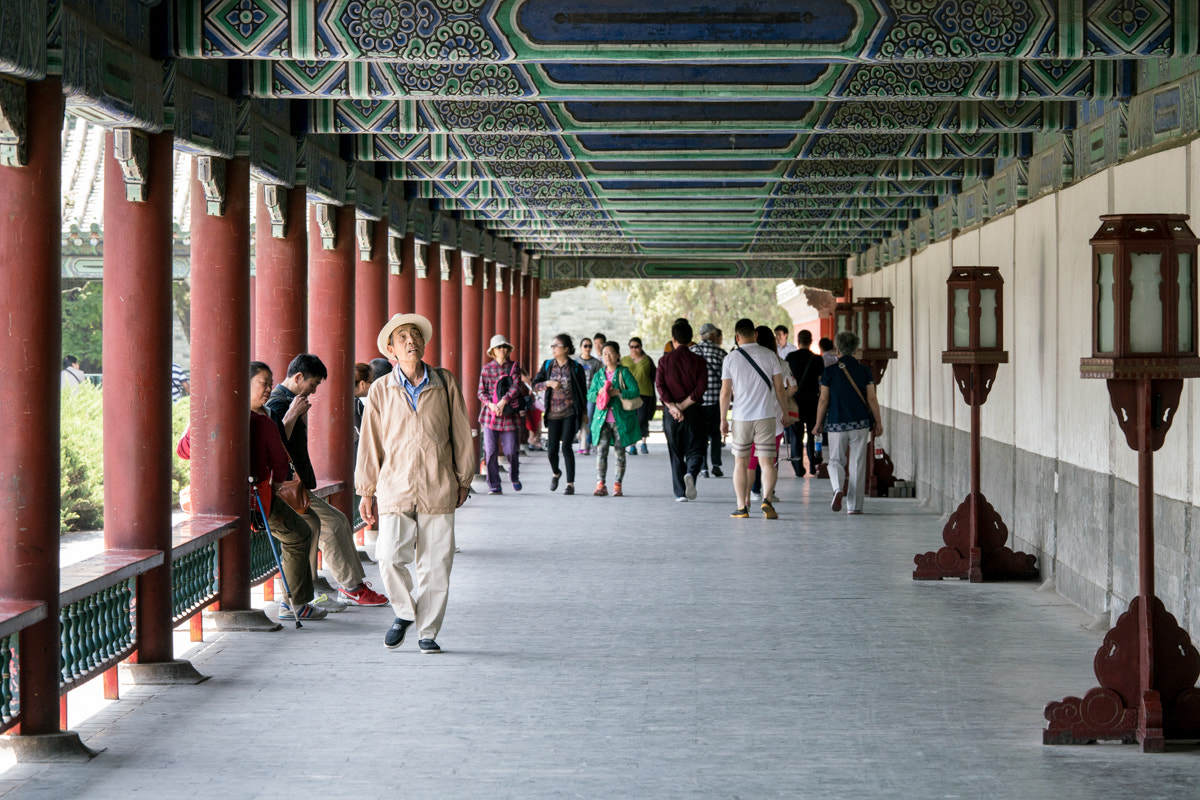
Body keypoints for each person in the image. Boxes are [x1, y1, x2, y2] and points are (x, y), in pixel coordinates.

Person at [357, 313, 475, 653]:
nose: (411, 341)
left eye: (415, 335)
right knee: (389, 556)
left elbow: (461, 433)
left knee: (436, 563)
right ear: (391, 349)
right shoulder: (381, 389)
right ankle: (405, 612)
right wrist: (366, 489)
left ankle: (428, 632)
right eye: (402, 337)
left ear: (423, 343)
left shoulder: (444, 382)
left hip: (438, 482)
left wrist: (463, 478)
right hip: (395, 484)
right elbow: (370, 443)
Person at [178, 362, 323, 620]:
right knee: (299, 533)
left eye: (270, 383)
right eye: (263, 383)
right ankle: (296, 604)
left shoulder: (218, 416)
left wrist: (199, 419)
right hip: (256, 503)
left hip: (212, 506)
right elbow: (280, 469)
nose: (269, 388)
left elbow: (183, 452)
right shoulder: (263, 422)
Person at [265, 354, 388, 608]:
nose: (314, 389)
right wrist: (291, 416)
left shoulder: (290, 401)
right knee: (330, 525)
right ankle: (349, 587)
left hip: (296, 485)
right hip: (284, 488)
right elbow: (274, 448)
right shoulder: (278, 404)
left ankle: (353, 586)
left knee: (339, 520)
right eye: (313, 383)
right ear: (298, 377)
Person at [720, 318, 790, 520]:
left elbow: (725, 393)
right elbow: (779, 389)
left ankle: (742, 507)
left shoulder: (731, 359)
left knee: (740, 463)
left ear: (737, 336)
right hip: (766, 416)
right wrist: (784, 413)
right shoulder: (770, 356)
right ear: (755, 334)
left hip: (741, 417)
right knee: (767, 463)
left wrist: (723, 419)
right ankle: (766, 499)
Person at [814, 330, 884, 515]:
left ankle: (838, 488)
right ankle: (854, 506)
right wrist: (879, 422)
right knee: (858, 463)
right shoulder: (864, 370)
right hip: (860, 424)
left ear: (838, 348)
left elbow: (823, 400)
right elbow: (872, 398)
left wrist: (818, 423)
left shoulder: (829, 372)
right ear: (856, 348)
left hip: (837, 423)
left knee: (836, 460)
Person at [655, 319, 708, 502]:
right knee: (696, 448)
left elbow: (660, 386)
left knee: (675, 451)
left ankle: (680, 494)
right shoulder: (699, 361)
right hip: (694, 412)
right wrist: (684, 406)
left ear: (673, 339)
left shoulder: (664, 361)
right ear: (690, 338)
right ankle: (691, 474)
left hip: (671, 415)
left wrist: (673, 407)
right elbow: (701, 387)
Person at [532, 334, 589, 495]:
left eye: (556, 345)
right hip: (552, 414)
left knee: (566, 447)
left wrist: (584, 413)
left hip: (570, 412)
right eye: (552, 346)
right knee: (551, 450)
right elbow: (534, 384)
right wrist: (548, 383)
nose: (553, 348)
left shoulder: (576, 367)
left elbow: (582, 392)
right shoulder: (548, 365)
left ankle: (570, 484)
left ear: (566, 349)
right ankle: (556, 473)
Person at [747, 326, 796, 503]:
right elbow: (793, 387)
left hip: (752, 414)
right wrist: (779, 398)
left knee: (752, 458)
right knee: (771, 457)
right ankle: (769, 493)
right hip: (775, 416)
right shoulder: (781, 363)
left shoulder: (746, 360)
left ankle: (751, 493)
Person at [588, 341, 641, 497]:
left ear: (618, 355)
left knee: (619, 453)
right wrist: (600, 392)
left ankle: (617, 485)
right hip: (602, 421)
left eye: (611, 353)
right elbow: (589, 395)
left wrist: (618, 392)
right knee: (601, 452)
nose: (608, 356)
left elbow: (635, 391)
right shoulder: (598, 375)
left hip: (620, 421)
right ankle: (600, 484)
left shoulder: (624, 373)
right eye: (605, 353)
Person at [478, 333, 523, 494]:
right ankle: (494, 485)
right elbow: (481, 392)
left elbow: (516, 387)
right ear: (493, 351)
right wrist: (491, 404)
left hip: (509, 414)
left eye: (504, 346)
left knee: (511, 450)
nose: (502, 349)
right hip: (490, 416)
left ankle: (514, 475)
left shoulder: (514, 367)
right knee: (490, 452)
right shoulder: (487, 369)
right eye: (499, 347)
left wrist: (503, 401)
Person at [785, 330, 824, 477]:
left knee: (796, 435)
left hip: (795, 401)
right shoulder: (817, 359)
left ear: (798, 341)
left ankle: (798, 468)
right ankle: (814, 466)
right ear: (811, 341)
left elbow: (786, 379)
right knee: (813, 434)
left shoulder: (790, 357)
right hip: (813, 401)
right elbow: (821, 382)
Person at [692, 323, 727, 478]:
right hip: (715, 401)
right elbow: (726, 378)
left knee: (700, 435)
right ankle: (716, 464)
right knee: (715, 434)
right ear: (712, 335)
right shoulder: (721, 353)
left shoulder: (692, 351)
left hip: (697, 402)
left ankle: (703, 467)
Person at [620, 337, 656, 454]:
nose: (634, 349)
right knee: (630, 419)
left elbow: (655, 376)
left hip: (645, 393)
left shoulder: (647, 360)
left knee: (642, 419)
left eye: (637, 346)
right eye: (632, 347)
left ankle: (643, 443)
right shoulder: (624, 360)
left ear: (641, 347)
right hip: (628, 394)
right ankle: (632, 445)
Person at [574, 337, 603, 455]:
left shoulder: (596, 363)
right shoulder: (576, 362)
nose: (587, 348)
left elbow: (600, 379)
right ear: (580, 347)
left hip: (591, 395)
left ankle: (586, 443)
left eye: (590, 346)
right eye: (585, 346)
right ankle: (582, 441)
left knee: (589, 418)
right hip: (578, 394)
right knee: (578, 418)